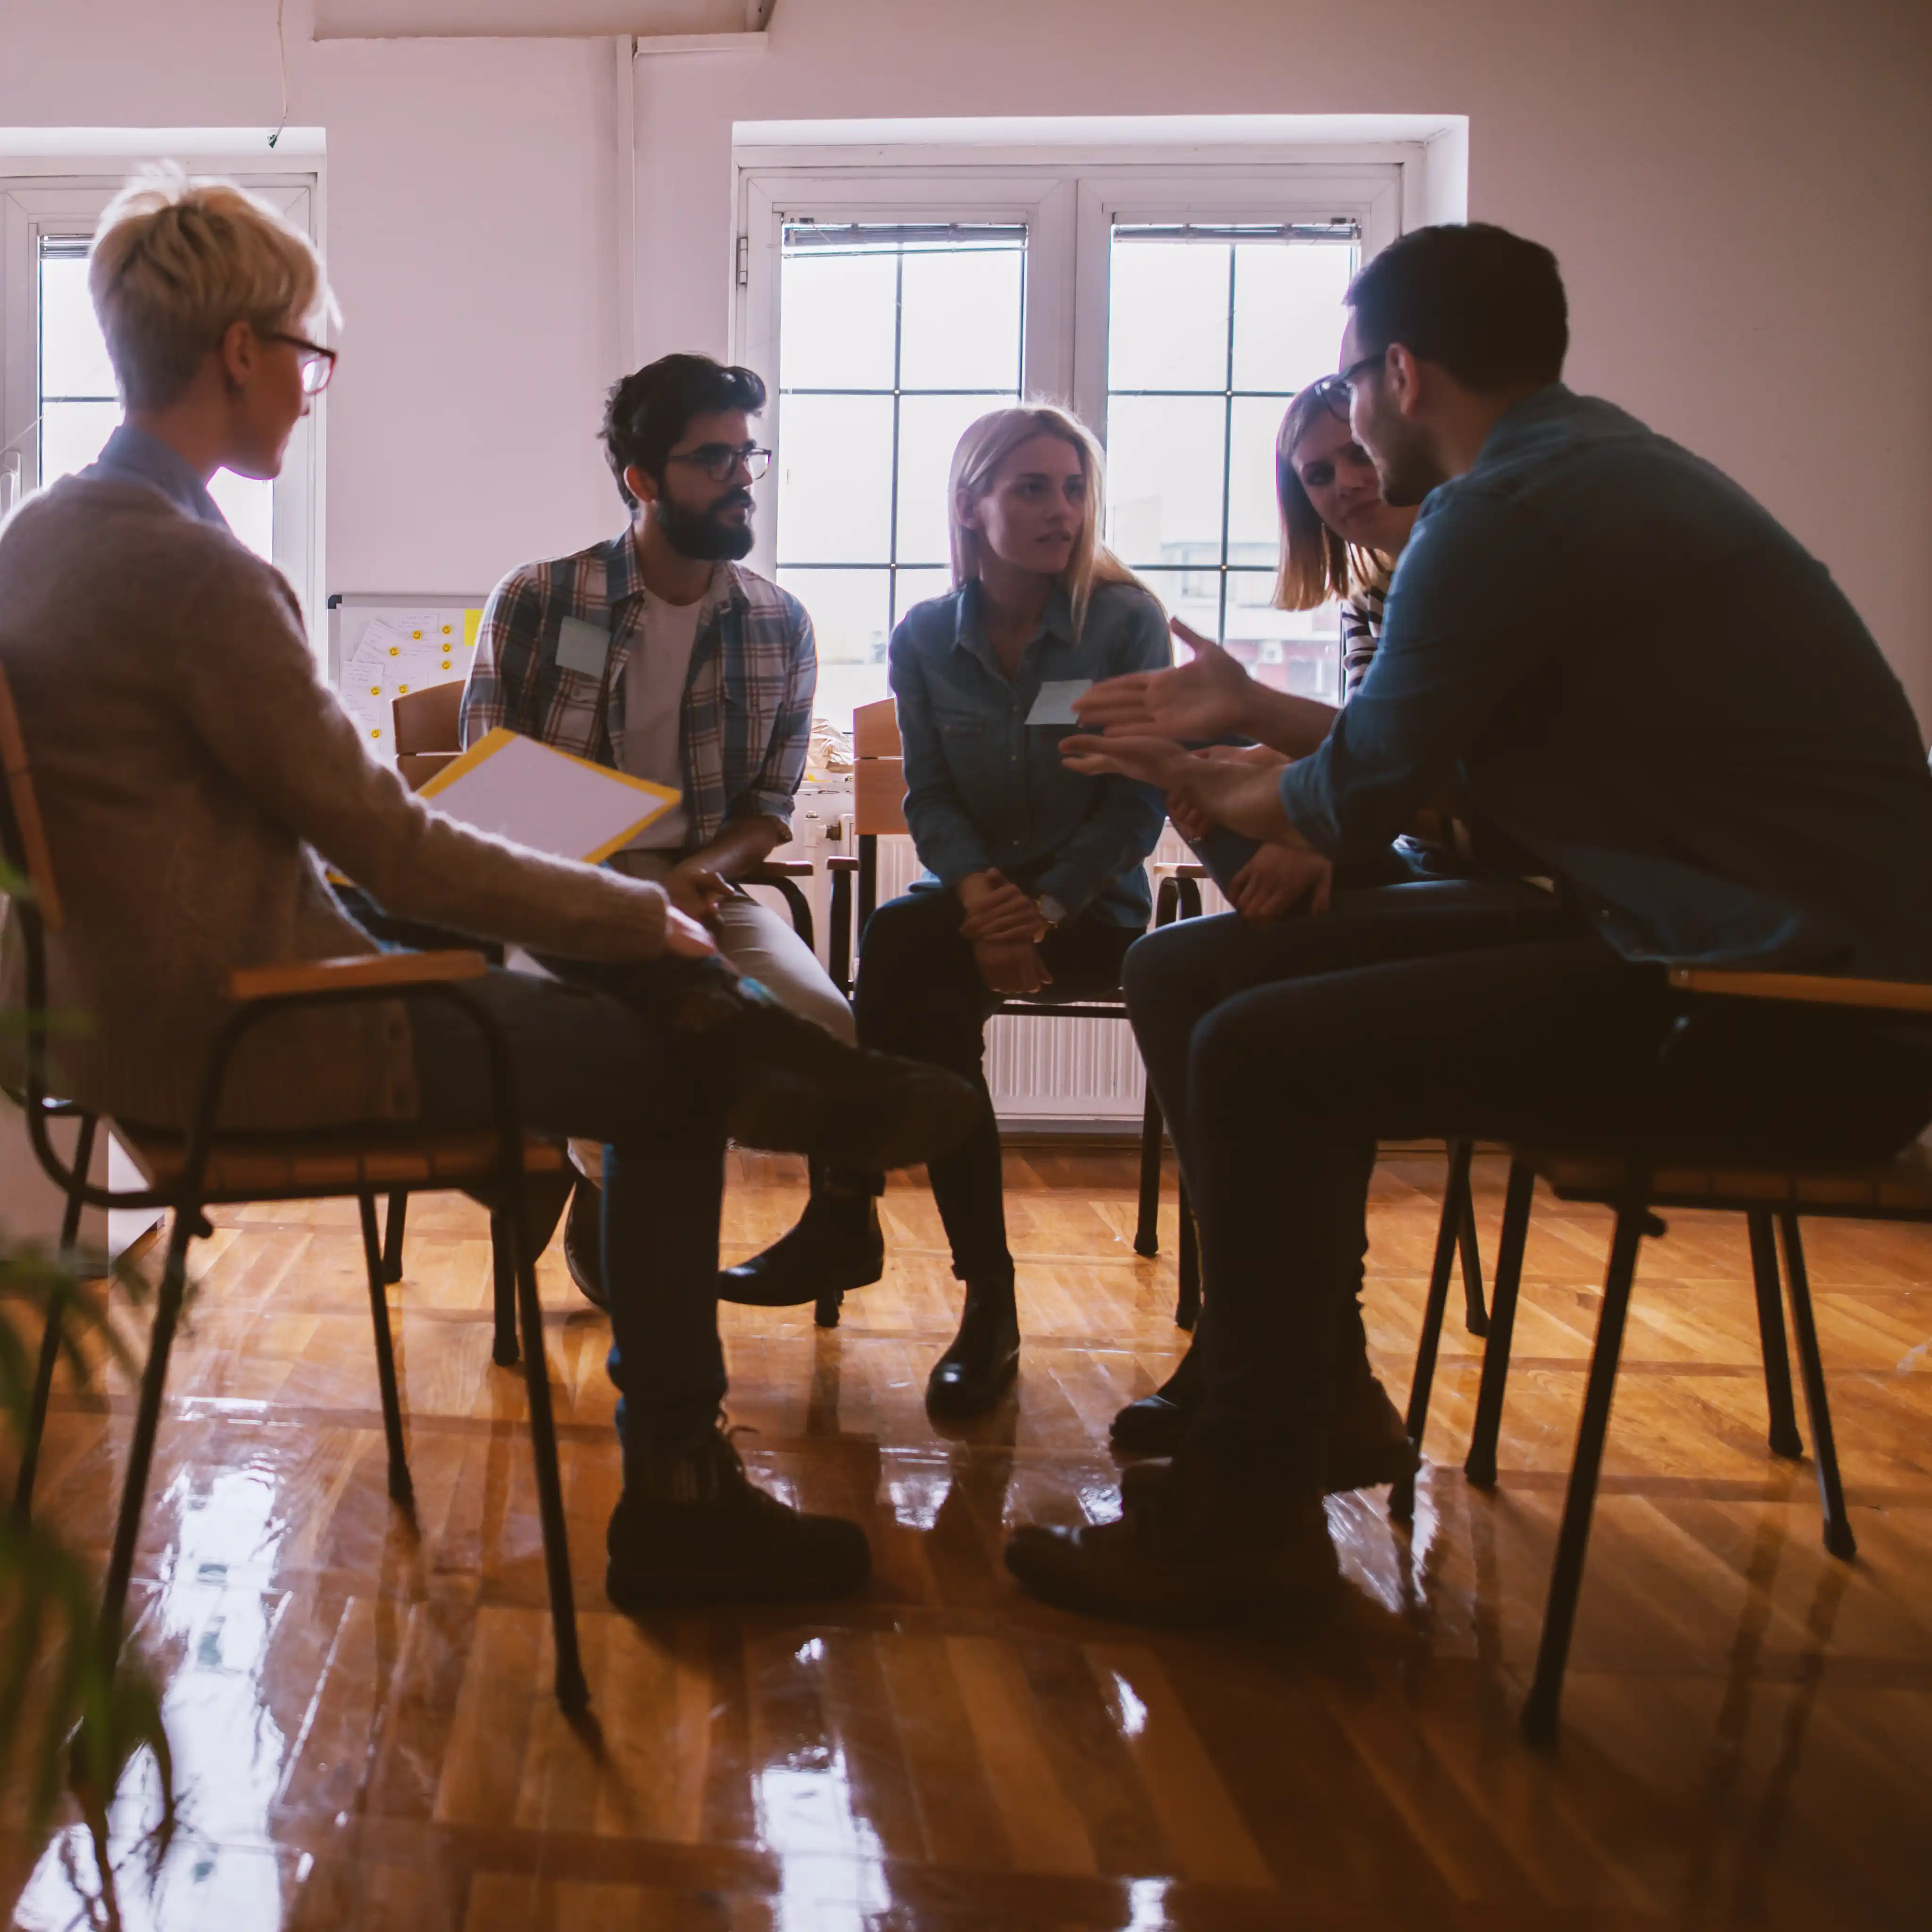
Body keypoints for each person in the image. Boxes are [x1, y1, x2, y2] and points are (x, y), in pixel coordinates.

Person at [0, 168, 978, 1610]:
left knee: (635, 987)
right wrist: (628, 910)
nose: (314, 390)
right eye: (309, 358)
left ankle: (757, 1047)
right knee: (660, 1072)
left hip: (124, 1023)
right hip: (256, 1036)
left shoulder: (42, 540)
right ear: (238, 355)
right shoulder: (200, 576)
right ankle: (682, 1495)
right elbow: (391, 839)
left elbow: (322, 837)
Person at [1011, 221, 1932, 1623]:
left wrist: (1191, 772)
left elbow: (1356, 796)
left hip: (1795, 1012)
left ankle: (1251, 1514)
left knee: (1260, 1046)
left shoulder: (1503, 514)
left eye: (1356, 396)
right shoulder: (1582, 471)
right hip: (1704, 944)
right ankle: (1319, 1401)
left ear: (1401, 372)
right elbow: (1437, 787)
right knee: (1187, 968)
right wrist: (1239, 755)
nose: (1354, 437)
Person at [460, 354, 879, 1316]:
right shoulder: (539, 597)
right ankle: (612, 1202)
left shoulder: (780, 624)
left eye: (747, 456)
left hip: (702, 882)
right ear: (641, 480)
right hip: (559, 879)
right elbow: (493, 781)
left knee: (824, 1019)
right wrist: (606, 892)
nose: (740, 479)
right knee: (610, 1041)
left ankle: (839, 1218)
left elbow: (770, 804)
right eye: (711, 459)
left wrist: (699, 870)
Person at [849, 404, 1170, 1416]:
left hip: (1094, 908)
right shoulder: (920, 639)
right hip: (979, 901)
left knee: (914, 965)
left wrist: (1042, 904)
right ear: (969, 503)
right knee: (905, 947)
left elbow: (1136, 797)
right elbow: (930, 797)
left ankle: (849, 1200)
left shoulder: (1123, 622)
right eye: (1030, 488)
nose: (1060, 511)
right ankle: (984, 1294)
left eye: (1073, 489)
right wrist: (983, 893)